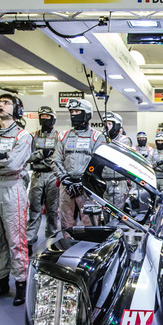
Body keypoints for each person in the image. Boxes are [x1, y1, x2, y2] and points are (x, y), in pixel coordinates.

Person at [0, 94, 33, 306]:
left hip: (12, 190)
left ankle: (21, 283)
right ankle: (0, 282)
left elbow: (13, 165)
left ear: (17, 109)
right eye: (0, 102)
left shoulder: (23, 136)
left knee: (15, 239)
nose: (1, 105)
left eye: (6, 103)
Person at [52, 98, 105, 233]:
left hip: (87, 188)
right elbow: (56, 160)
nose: (73, 115)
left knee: (91, 225)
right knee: (66, 224)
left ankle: (90, 250)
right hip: (66, 187)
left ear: (87, 114)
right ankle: (68, 249)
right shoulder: (63, 136)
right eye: (72, 112)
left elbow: (99, 162)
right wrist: (65, 179)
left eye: (77, 111)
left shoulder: (97, 136)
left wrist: (83, 181)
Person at [26, 106, 60, 252]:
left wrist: (46, 158)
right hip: (37, 175)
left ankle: (51, 238)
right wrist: (41, 154)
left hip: (52, 175)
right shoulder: (32, 136)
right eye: (42, 117)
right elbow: (27, 157)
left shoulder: (59, 136)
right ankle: (30, 238)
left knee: (52, 210)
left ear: (53, 119)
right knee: (34, 209)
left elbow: (58, 157)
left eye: (47, 117)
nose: (44, 119)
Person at [102, 111, 133, 211]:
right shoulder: (102, 139)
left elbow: (116, 153)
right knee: (105, 211)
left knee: (117, 211)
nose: (106, 127)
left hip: (119, 181)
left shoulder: (124, 140)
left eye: (110, 124)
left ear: (117, 126)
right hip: (105, 181)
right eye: (105, 124)